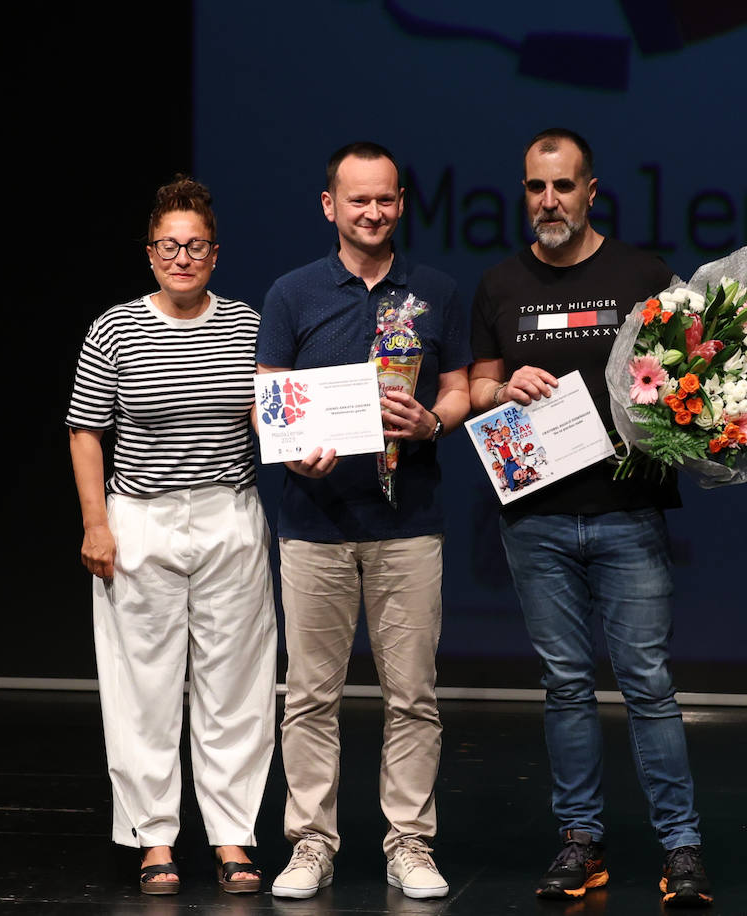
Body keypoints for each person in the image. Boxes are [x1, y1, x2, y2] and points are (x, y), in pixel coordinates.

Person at [469, 128, 714, 907]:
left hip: (627, 513)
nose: (550, 201)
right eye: (537, 187)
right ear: (525, 192)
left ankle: (683, 849)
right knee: (566, 684)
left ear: (591, 191)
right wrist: (501, 387)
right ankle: (581, 843)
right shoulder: (499, 283)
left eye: (564, 186)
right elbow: (473, 387)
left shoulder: (643, 274)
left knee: (647, 681)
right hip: (536, 519)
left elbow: (691, 384)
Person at [257, 142, 471, 900]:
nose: (372, 212)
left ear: (402, 203)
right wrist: (291, 453)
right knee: (309, 695)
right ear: (330, 207)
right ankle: (311, 844)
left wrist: (432, 424)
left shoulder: (436, 291)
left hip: (408, 524)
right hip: (313, 523)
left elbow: (457, 391)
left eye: (385, 199)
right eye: (358, 201)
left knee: (413, 694)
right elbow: (270, 398)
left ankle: (409, 843)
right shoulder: (292, 294)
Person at [66, 177, 277, 896]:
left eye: (195, 246)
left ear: (215, 253)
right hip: (141, 521)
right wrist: (96, 522)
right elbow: (86, 430)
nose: (181, 257)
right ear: (150, 251)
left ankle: (232, 836)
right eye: (168, 245)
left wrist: (306, 439)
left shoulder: (247, 323)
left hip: (229, 515)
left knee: (237, 687)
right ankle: (155, 839)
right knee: (143, 687)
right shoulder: (114, 328)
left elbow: (266, 418)